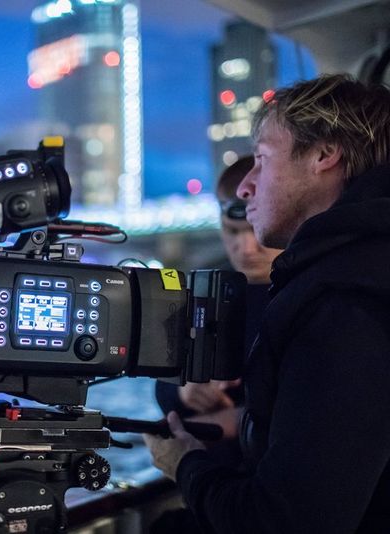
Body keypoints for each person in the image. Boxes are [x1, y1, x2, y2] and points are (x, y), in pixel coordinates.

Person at [144, 74, 390, 533]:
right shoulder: (355, 275)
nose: (246, 187)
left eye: (262, 158)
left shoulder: (344, 301)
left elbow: (286, 522)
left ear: (323, 154)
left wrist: (187, 466)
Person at [154, 156, 282, 447]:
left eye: (254, 230)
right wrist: (185, 390)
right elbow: (164, 375)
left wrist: (239, 417)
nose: (246, 248)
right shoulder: (205, 294)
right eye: (233, 231)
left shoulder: (308, 295)